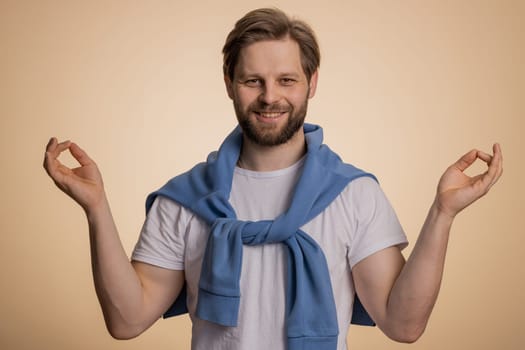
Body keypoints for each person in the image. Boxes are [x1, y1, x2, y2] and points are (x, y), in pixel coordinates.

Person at [43, 7, 503, 350]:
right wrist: (96, 208)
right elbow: (127, 321)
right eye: (253, 81)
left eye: (286, 80)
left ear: (311, 83)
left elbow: (403, 325)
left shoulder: (354, 194)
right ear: (229, 83)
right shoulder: (186, 199)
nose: (269, 97)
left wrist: (443, 213)